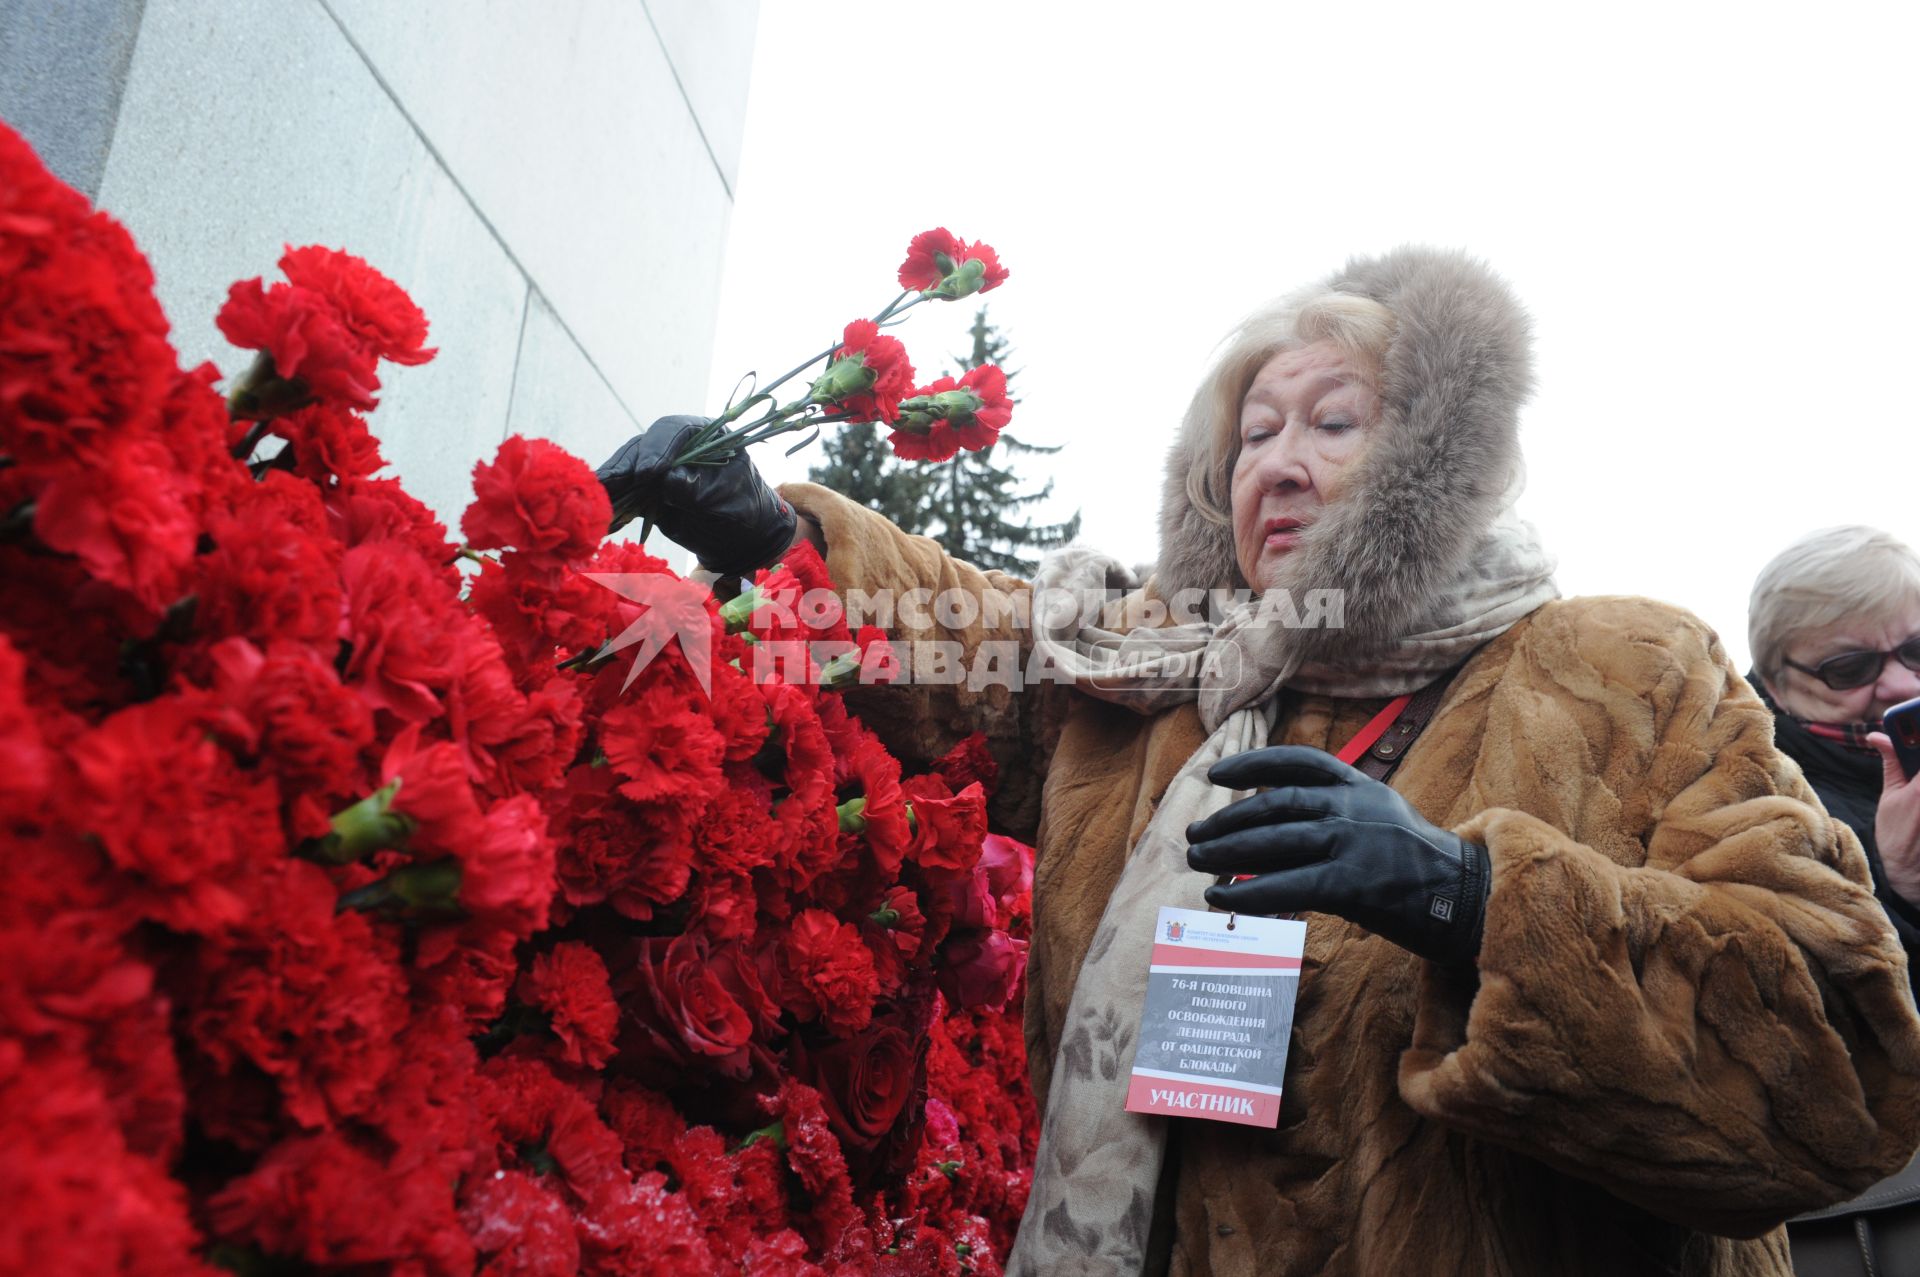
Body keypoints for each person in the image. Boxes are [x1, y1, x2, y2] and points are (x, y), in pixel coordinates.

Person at [598, 247, 1920, 1276]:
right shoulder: (1156, 685)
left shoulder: (1626, 670)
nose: (1278, 465)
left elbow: (1837, 1070)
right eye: (1252, 434)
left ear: (1438, 465)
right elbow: (962, 649)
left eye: (1333, 424)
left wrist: (1469, 896)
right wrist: (776, 538)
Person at [1747, 527, 1920, 1275]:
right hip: (1866, 1215)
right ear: (1776, 683)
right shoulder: (1746, 803)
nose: (1896, 685)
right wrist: (1905, 891)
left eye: (1916, 648)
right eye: (1849, 667)